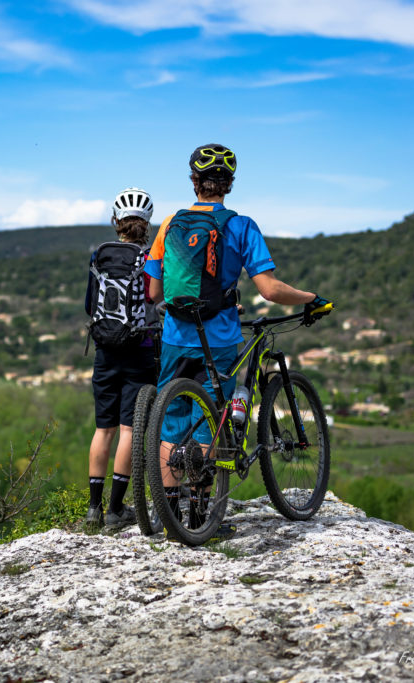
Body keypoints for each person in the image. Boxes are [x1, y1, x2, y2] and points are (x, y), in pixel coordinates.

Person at [144, 144, 331, 531]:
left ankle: (170, 515)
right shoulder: (241, 225)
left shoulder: (169, 224)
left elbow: (154, 293)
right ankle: (199, 515)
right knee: (210, 416)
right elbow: (270, 289)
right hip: (221, 336)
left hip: (177, 335)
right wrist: (311, 299)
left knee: (172, 420)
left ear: (194, 182)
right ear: (228, 184)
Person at [84, 187, 158, 529]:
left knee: (104, 429)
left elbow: (89, 306)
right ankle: (116, 510)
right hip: (139, 351)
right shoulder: (151, 259)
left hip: (105, 351)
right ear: (147, 222)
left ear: (116, 222)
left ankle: (93, 510)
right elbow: (157, 299)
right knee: (129, 429)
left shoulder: (99, 254)